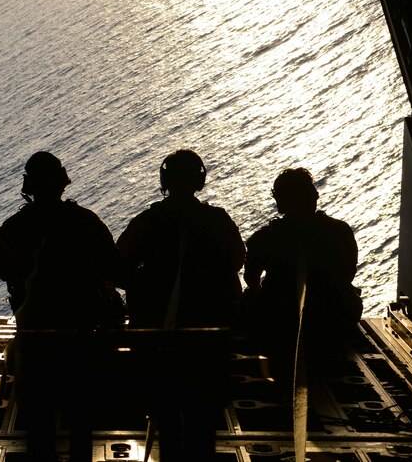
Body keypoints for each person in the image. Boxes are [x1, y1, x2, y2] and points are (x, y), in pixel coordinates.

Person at [0, 151, 123, 462]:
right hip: (81, 336)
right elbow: (117, 270)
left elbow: (3, 272)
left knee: (39, 432)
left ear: (28, 186)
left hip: (35, 340)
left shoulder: (11, 229)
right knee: (81, 427)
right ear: (62, 183)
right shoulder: (85, 221)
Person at [115, 148, 245, 462]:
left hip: (159, 340)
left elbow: (118, 269)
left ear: (164, 180)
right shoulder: (217, 220)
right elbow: (237, 260)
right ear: (200, 180)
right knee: (203, 423)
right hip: (209, 337)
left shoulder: (147, 222)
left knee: (168, 420)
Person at [243, 167, 362, 390]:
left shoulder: (265, 238)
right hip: (336, 322)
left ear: (280, 202)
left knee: (249, 298)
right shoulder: (340, 231)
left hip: (284, 328)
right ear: (313, 196)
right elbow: (348, 274)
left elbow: (251, 279)